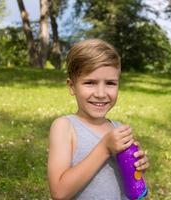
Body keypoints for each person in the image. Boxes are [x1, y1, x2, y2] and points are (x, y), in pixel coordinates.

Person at [47, 38, 149, 200]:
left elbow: (127, 186)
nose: (101, 93)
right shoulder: (65, 127)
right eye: (90, 83)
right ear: (72, 86)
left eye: (110, 83)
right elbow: (59, 192)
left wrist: (137, 167)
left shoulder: (118, 128)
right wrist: (104, 148)